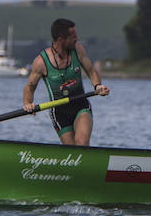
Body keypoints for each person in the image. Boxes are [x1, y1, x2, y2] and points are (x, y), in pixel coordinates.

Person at [21, 17, 110, 146]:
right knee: (71, 150)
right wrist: (28, 103)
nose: (77, 39)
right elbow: (30, 87)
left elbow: (91, 71)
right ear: (61, 39)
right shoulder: (41, 62)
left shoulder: (78, 50)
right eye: (73, 36)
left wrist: (98, 85)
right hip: (59, 112)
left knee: (82, 142)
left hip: (80, 105)